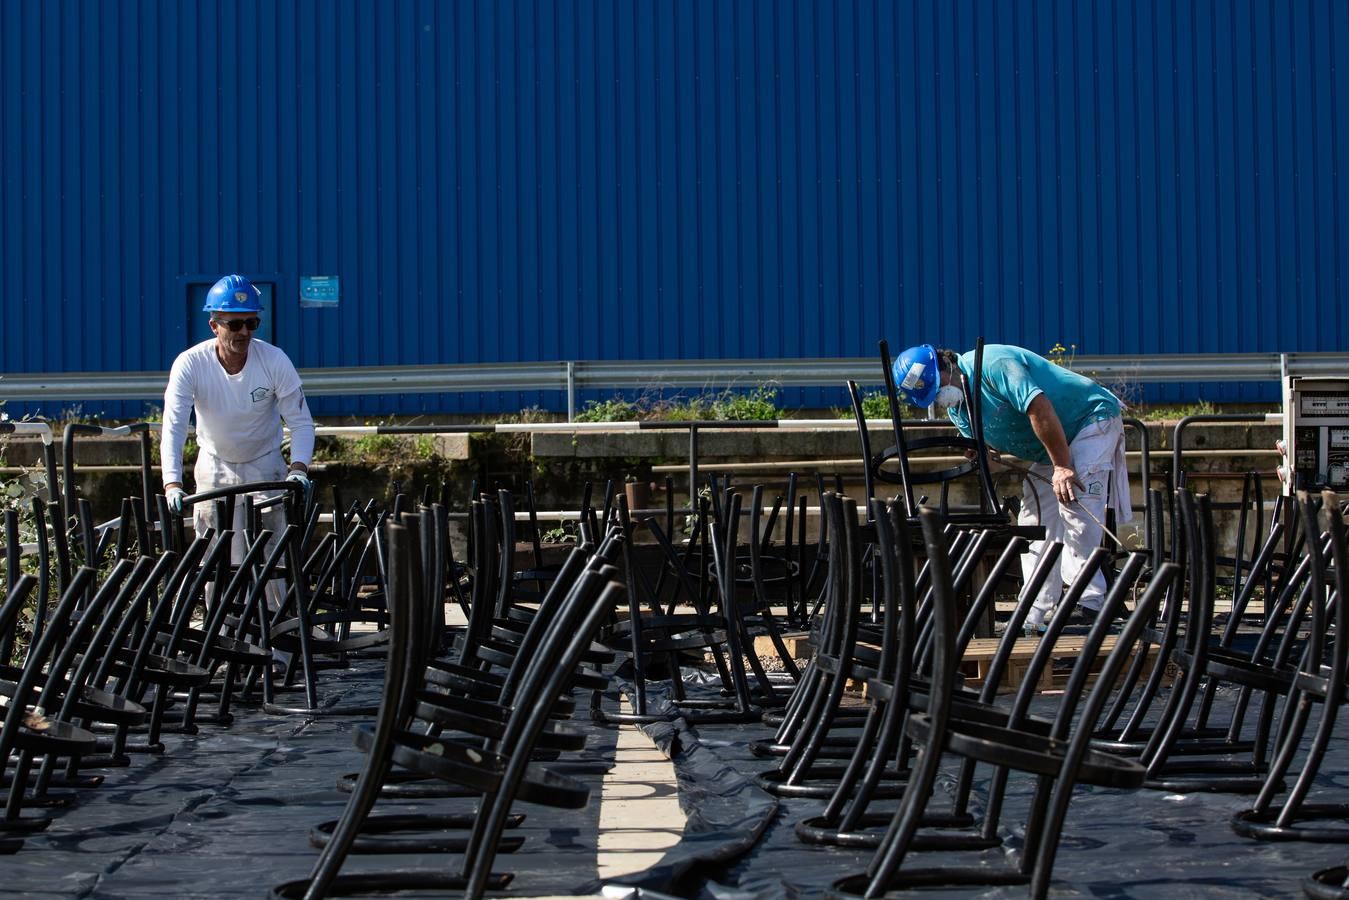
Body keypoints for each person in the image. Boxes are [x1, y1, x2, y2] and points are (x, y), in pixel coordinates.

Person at [892, 343, 1131, 629]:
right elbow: (994, 463)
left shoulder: (993, 364)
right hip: (1053, 446)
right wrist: (983, 457)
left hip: (1089, 420)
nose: (941, 397)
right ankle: (1034, 611)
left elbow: (1039, 407)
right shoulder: (960, 411)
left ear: (947, 365)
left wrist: (1063, 467)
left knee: (1074, 504)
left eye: (939, 387)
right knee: (1035, 519)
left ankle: (1091, 606)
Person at [161, 275, 315, 605]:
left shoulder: (274, 361)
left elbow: (301, 421)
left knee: (272, 555)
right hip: (215, 466)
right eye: (235, 324)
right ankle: (220, 634)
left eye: (251, 323)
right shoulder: (191, 364)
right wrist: (172, 483)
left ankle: (277, 636)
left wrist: (299, 468)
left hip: (265, 465)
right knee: (216, 558)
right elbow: (173, 425)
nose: (244, 332)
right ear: (214, 324)